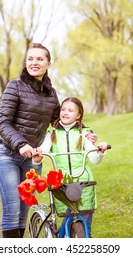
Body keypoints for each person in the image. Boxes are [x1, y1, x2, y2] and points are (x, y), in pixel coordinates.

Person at [0, 43, 97, 238]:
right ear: (26, 62)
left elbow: (62, 121)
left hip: (33, 159)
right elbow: (3, 122)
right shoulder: (15, 86)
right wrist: (21, 144)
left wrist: (86, 132)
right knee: (13, 209)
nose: (34, 62)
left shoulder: (51, 93)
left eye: (40, 59)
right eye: (30, 58)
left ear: (48, 63)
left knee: (24, 210)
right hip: (8, 155)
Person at [33, 96, 108, 237]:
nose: (65, 113)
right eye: (63, 109)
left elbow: (93, 157)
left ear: (78, 115)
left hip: (82, 182)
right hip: (61, 182)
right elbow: (44, 149)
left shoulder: (85, 133)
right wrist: (38, 155)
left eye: (70, 110)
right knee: (66, 215)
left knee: (85, 226)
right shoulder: (52, 133)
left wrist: (99, 150)